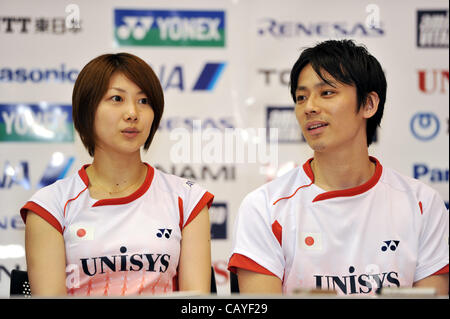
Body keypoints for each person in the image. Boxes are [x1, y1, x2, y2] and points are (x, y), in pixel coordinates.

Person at [228, 39, 449, 296]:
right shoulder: (265, 207)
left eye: (326, 93)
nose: (309, 107)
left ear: (369, 104)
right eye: (301, 97)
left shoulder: (421, 203)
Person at [21, 53, 214, 296]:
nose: (132, 113)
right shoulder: (51, 206)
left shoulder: (188, 199)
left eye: (144, 101)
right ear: (87, 110)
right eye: (117, 98)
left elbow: (194, 304)